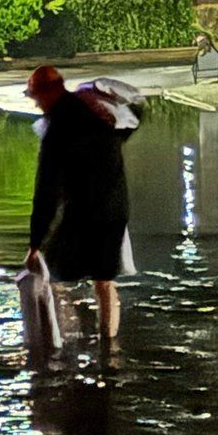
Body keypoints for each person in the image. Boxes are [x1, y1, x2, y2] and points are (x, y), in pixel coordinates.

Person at [24, 66, 132, 339]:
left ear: (49, 93)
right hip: (115, 208)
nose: (36, 103)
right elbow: (132, 120)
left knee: (56, 277)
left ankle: (64, 342)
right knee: (104, 280)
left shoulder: (57, 128)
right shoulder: (98, 112)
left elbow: (46, 190)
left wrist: (35, 244)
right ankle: (109, 347)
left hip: (83, 213)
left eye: (36, 97)